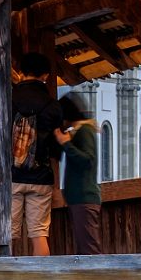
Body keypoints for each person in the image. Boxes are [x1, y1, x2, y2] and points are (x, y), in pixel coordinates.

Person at [8, 55, 66, 255]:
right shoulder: (53, 106)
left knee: (7, 234)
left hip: (11, 176)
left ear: (20, 71)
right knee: (39, 233)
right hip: (41, 177)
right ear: (46, 76)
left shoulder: (9, 100)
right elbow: (57, 147)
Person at [53, 93, 101, 255]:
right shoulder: (81, 130)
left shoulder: (85, 131)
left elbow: (87, 159)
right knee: (85, 247)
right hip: (80, 199)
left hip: (84, 197)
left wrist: (66, 144)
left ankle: (99, 279)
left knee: (89, 249)